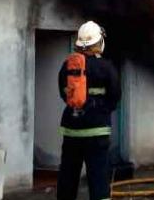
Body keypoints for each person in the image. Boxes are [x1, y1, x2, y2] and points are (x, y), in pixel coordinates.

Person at [57, 21, 121, 200]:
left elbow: (63, 94)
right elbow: (115, 95)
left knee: (68, 175)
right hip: (97, 130)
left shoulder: (67, 65)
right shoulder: (107, 67)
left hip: (71, 130)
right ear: (99, 42)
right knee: (98, 175)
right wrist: (102, 110)